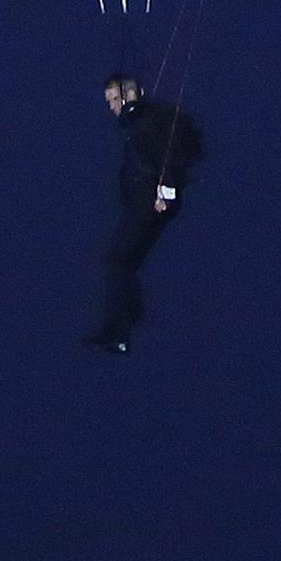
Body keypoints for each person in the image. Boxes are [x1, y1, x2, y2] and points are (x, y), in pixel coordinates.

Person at [83, 73, 203, 355]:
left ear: (129, 95)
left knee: (117, 260)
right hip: (145, 204)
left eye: (114, 99)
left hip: (149, 204)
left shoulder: (146, 122)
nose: (112, 107)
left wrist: (166, 194)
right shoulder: (141, 123)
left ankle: (119, 330)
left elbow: (170, 156)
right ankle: (130, 319)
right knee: (124, 263)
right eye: (109, 101)